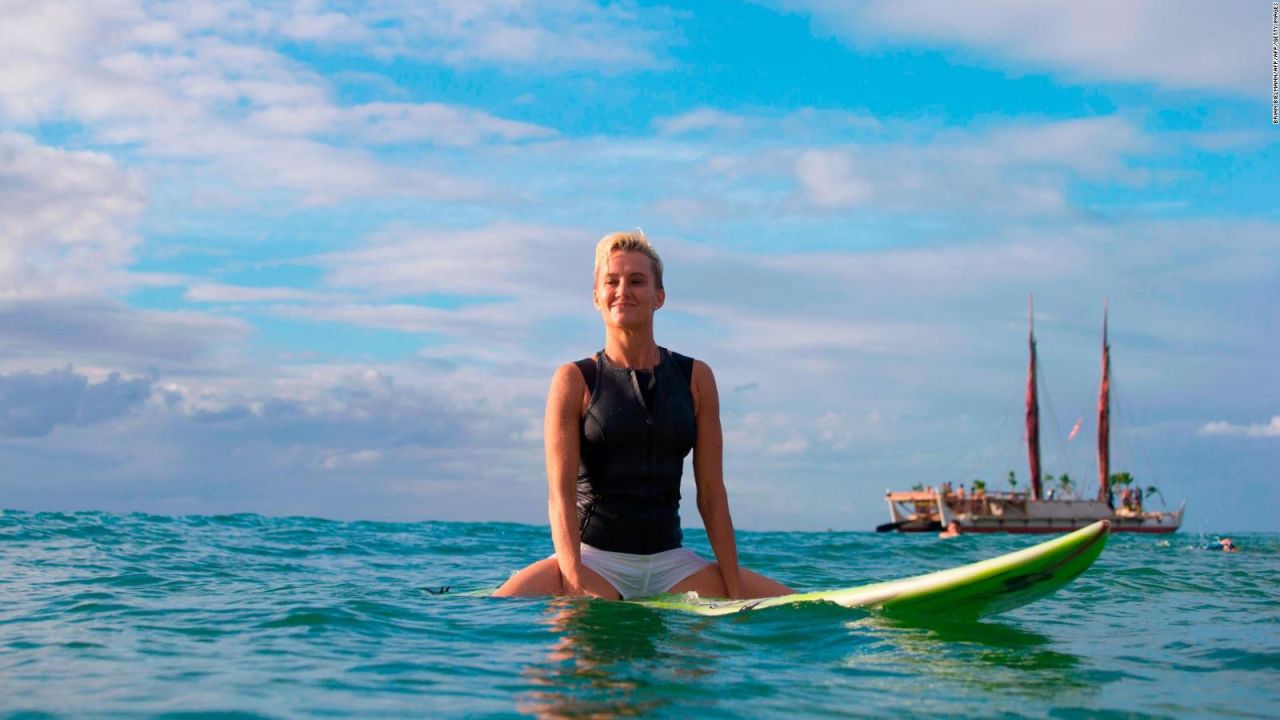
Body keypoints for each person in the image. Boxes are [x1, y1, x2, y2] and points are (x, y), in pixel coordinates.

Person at [495, 231, 794, 601]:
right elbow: (559, 495)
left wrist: (734, 589)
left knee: (799, 609)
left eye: (637, 281)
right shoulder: (574, 380)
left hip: (674, 566)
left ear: (659, 297)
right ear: (596, 297)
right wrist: (573, 584)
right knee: (497, 607)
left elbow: (712, 496)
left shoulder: (696, 378)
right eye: (611, 282)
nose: (623, 290)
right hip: (594, 561)